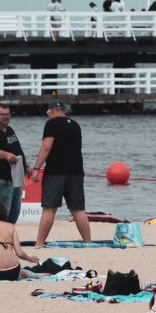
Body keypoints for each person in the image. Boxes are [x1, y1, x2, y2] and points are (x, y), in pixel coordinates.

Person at [31, 100, 90, 247]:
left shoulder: (51, 124)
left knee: (49, 209)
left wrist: (36, 168)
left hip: (55, 172)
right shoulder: (75, 125)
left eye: (47, 112)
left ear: (52, 110)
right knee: (78, 209)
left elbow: (46, 146)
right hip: (76, 171)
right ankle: (88, 242)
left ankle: (39, 243)